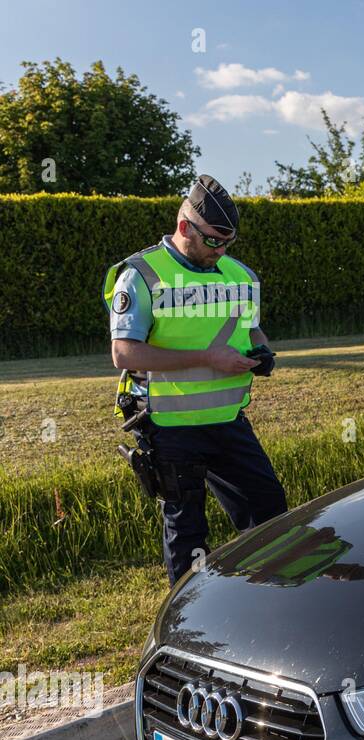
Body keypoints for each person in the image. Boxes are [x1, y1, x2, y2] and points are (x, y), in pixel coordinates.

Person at [105, 174, 288, 584]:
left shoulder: (240, 275)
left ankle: (271, 600)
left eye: (228, 243)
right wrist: (208, 358)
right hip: (170, 429)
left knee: (269, 511)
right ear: (185, 226)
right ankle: (186, 629)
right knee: (188, 533)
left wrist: (262, 353)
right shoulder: (141, 274)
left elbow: (251, 329)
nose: (220, 251)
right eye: (214, 241)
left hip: (228, 422)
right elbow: (124, 353)